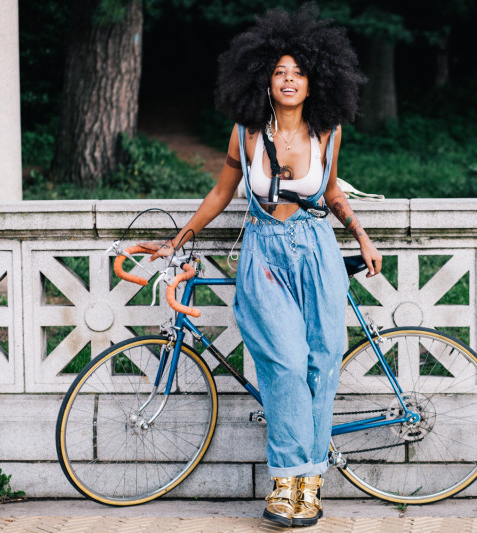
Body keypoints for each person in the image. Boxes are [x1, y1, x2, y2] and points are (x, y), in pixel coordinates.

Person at [141, 4, 382, 528]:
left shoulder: (329, 132)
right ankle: (284, 483)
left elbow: (333, 191)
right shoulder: (246, 133)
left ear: (317, 80)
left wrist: (360, 235)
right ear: (263, 80)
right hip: (266, 254)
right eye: (279, 72)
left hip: (317, 251)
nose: (289, 80)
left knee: (321, 365)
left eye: (298, 72)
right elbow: (221, 193)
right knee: (287, 365)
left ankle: (309, 488)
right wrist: (178, 237)